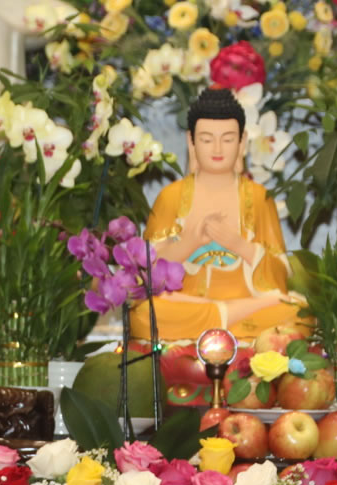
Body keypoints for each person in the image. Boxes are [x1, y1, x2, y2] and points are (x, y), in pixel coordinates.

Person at [131, 87, 305, 344]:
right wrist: (191, 242)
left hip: (245, 302)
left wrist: (239, 244)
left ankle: (220, 321)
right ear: (191, 141)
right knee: (146, 314)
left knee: (298, 314)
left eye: (227, 139)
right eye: (206, 139)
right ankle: (227, 318)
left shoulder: (259, 198)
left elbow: (279, 275)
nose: (217, 148)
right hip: (189, 304)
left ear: (242, 142)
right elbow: (147, 272)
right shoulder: (171, 197)